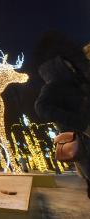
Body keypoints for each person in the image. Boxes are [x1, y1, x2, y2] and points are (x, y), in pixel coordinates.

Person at [35, 43, 90, 199]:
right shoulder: (55, 86)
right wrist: (81, 124)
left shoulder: (79, 83)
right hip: (83, 139)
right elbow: (41, 107)